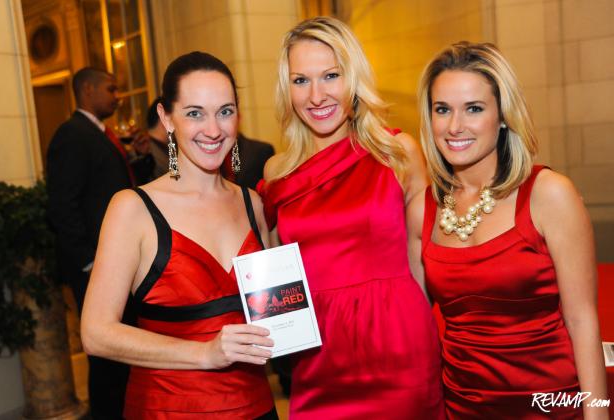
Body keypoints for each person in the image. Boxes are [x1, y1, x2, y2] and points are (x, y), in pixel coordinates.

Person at [408, 41, 609, 419]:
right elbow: (414, 325)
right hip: (462, 407)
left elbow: (582, 320)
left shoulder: (548, 194)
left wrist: (598, 414)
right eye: (442, 110)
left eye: (474, 109)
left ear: (502, 116)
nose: (455, 126)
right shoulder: (423, 209)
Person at [260, 17, 444, 419]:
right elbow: (275, 276)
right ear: (286, 89)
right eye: (300, 80)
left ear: (354, 78)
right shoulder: (277, 173)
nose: (317, 95)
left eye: (331, 75)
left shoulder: (397, 152)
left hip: (400, 351)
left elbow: (422, 259)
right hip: (318, 359)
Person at [80, 51, 277, 419]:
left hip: (257, 407)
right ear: (165, 118)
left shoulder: (253, 204)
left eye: (225, 111)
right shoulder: (132, 208)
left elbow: (273, 309)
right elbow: (96, 333)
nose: (214, 129)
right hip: (170, 409)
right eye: (194, 113)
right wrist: (204, 353)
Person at [46, 67, 149, 419]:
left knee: (122, 356)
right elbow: (63, 204)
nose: (117, 96)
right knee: (106, 357)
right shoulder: (71, 134)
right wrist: (89, 262)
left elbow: (108, 186)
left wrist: (136, 156)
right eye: (111, 88)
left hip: (118, 261)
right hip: (95, 266)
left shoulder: (100, 134)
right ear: (87, 90)